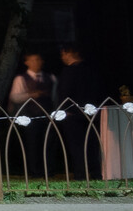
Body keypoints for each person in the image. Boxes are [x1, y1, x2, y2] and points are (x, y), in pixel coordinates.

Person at [56, 46, 104, 181]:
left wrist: (64, 110)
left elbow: (64, 93)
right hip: (91, 113)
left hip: (73, 114)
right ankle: (96, 173)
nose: (62, 58)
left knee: (77, 146)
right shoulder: (91, 70)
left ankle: (81, 174)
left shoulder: (69, 72)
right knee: (92, 145)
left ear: (68, 52)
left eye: (63, 54)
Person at [8, 52, 51, 180]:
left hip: (46, 116)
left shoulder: (50, 77)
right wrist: (31, 95)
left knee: (47, 144)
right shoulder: (21, 79)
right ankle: (34, 171)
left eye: (38, 60)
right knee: (32, 145)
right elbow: (14, 97)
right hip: (29, 116)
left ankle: (48, 170)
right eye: (33, 60)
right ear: (27, 62)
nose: (36, 63)